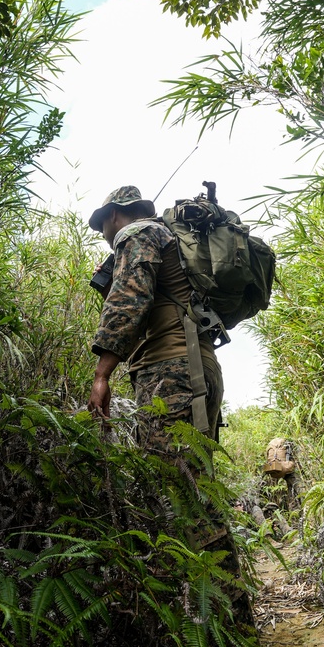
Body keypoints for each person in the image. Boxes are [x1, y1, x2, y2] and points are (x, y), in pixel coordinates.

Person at [86, 185, 223, 455]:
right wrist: (109, 286)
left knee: (167, 483)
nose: (102, 234)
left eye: (101, 225)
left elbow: (129, 302)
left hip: (172, 371)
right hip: (200, 368)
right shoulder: (169, 237)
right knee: (192, 483)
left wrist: (102, 375)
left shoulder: (135, 234)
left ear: (113, 215)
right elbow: (154, 303)